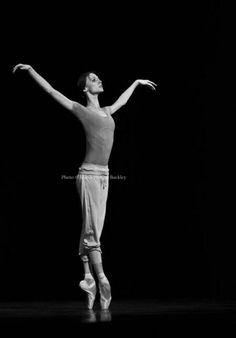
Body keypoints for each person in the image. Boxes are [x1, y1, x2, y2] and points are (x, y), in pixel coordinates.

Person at [12, 64, 157, 309]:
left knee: (91, 228)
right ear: (85, 87)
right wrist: (31, 70)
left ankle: (88, 277)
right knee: (92, 232)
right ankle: (102, 279)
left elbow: (121, 101)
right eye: (93, 78)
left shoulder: (108, 111)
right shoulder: (81, 110)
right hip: (88, 175)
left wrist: (135, 83)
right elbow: (51, 91)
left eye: (98, 77)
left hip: (104, 176)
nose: (98, 80)